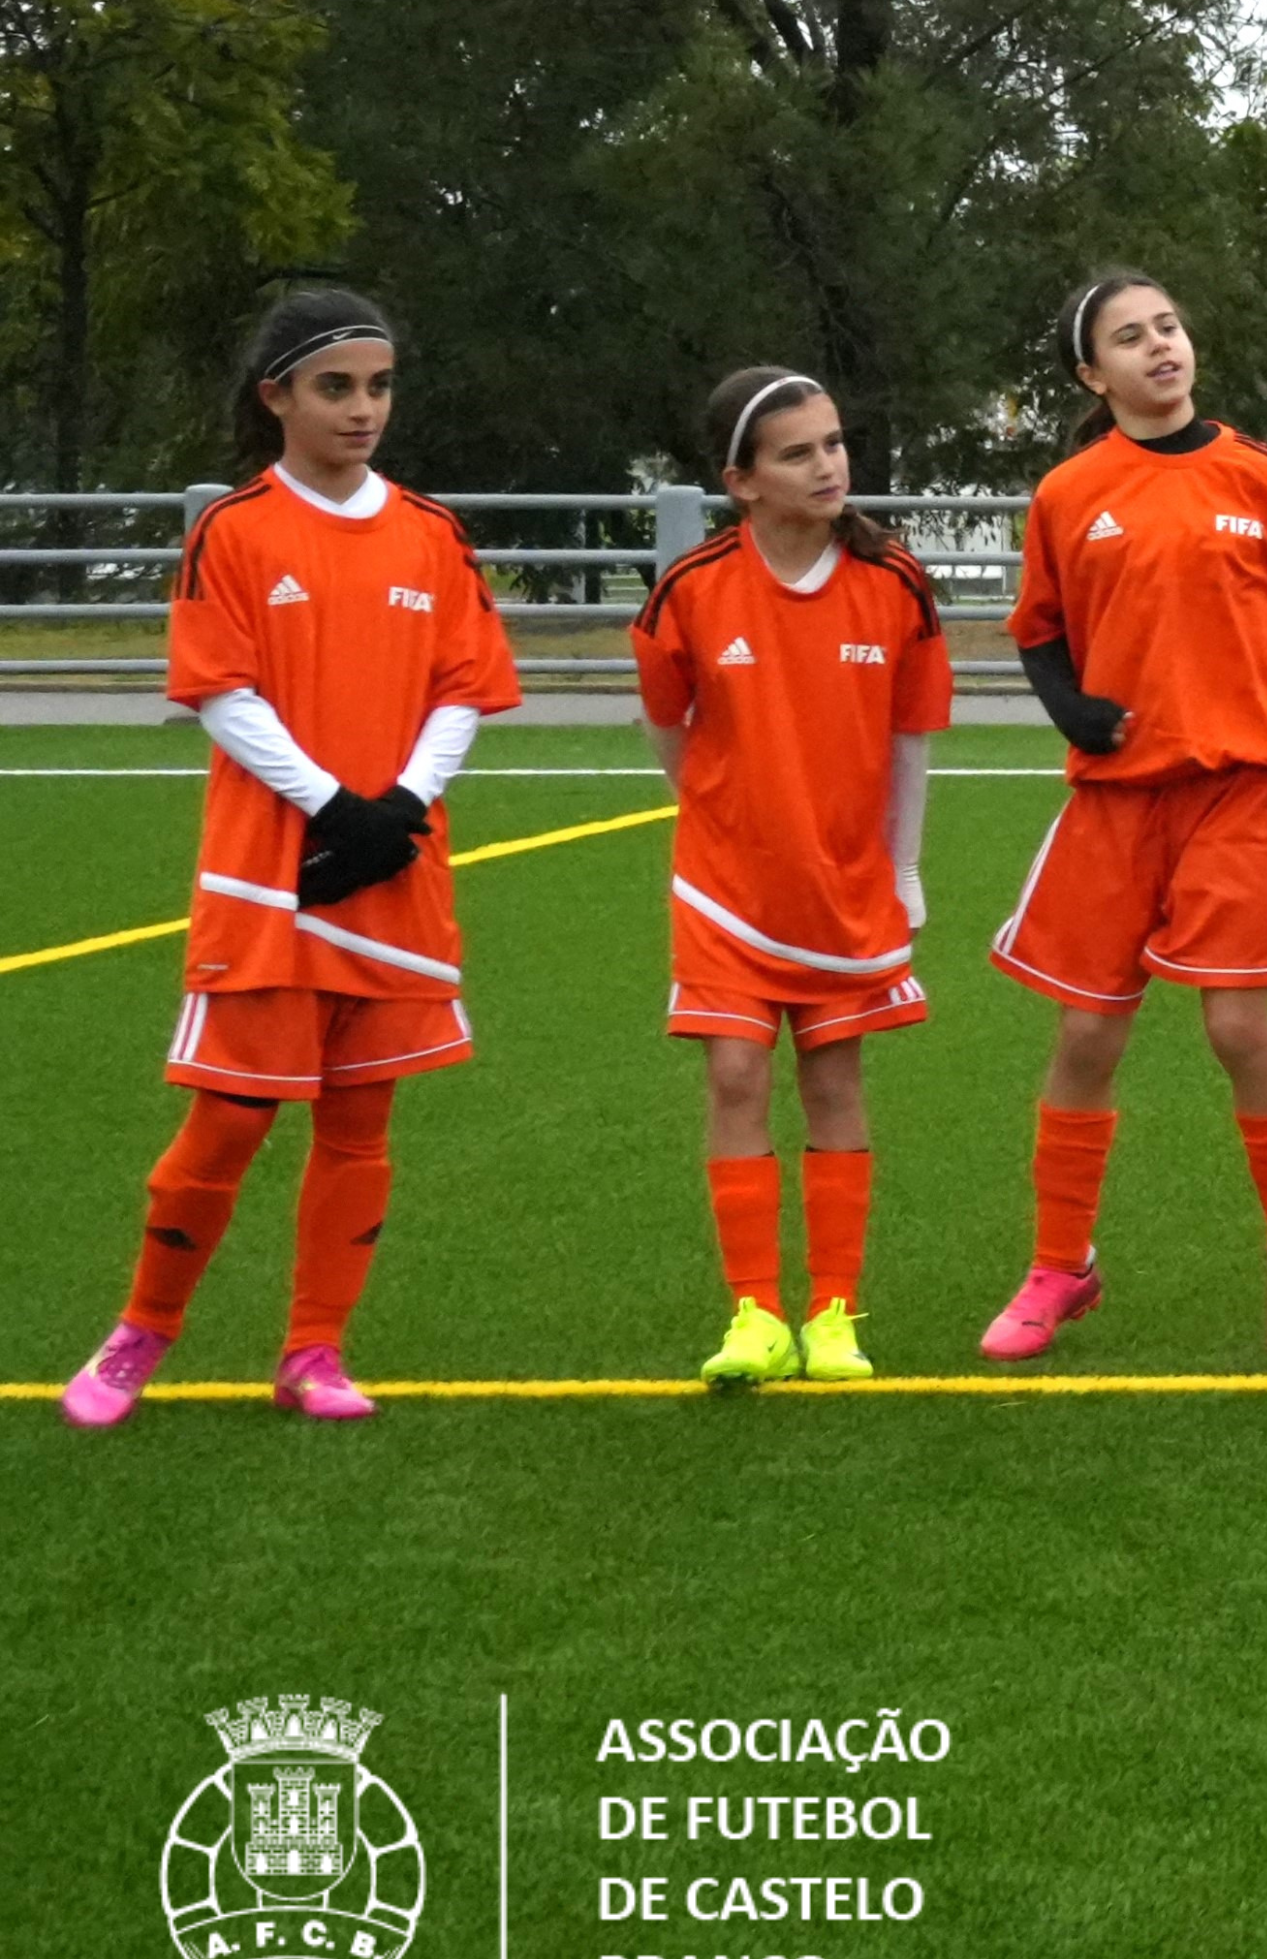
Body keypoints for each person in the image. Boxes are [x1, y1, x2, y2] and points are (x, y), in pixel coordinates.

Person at [63, 288, 520, 1428]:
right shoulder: (234, 529)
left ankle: (314, 1351)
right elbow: (219, 689)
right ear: (277, 397)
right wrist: (333, 808)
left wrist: (400, 803)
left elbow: (466, 685)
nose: (364, 408)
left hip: (392, 869)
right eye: (336, 387)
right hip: (273, 874)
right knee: (229, 1119)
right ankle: (140, 1333)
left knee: (361, 1124)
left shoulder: (430, 531)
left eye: (378, 385)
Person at [981, 272, 1267, 1361]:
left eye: (1167, 324)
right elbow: (1037, 629)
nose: (1158, 345)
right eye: (1128, 336)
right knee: (1085, 1033)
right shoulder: (1069, 491)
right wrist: (1073, 706)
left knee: (1236, 1025)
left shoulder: (1259, 475)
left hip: (1243, 782)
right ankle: (1061, 1265)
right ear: (1089, 373)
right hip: (1116, 796)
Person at [631, 369, 952, 1389]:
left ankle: (833, 1313)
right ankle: (756, 1312)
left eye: (833, 443)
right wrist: (733, 817)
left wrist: (901, 867)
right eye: (798, 451)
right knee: (733, 1075)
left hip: (844, 890)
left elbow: (910, 743)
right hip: (726, 889)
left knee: (832, 1080)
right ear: (742, 480)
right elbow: (668, 733)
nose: (829, 464)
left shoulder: (894, 582)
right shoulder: (690, 591)